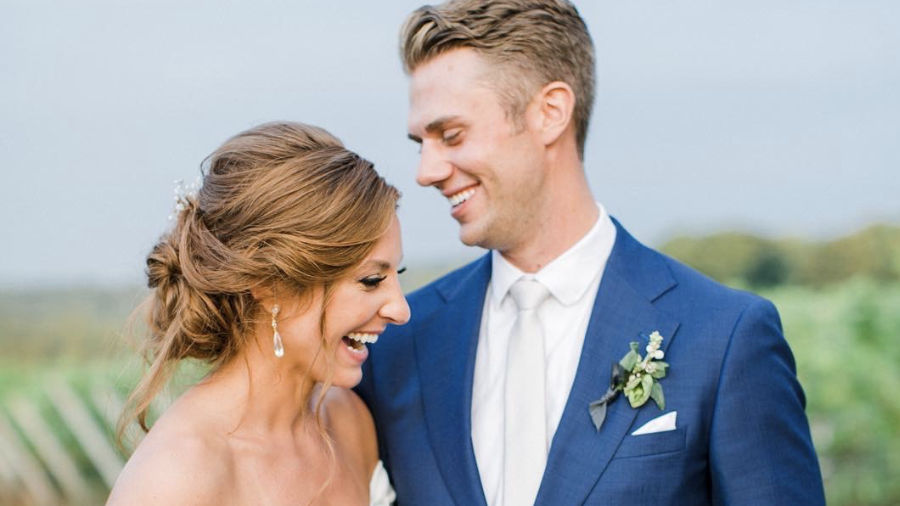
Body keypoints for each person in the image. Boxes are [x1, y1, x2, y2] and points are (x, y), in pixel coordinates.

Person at [355, 1, 826, 504]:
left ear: (550, 113)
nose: (426, 171)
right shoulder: (398, 344)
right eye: (420, 143)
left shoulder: (725, 337)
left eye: (451, 135)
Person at [107, 121, 409, 505]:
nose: (401, 310)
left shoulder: (348, 423)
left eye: (395, 276)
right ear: (270, 286)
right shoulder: (177, 475)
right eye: (370, 280)